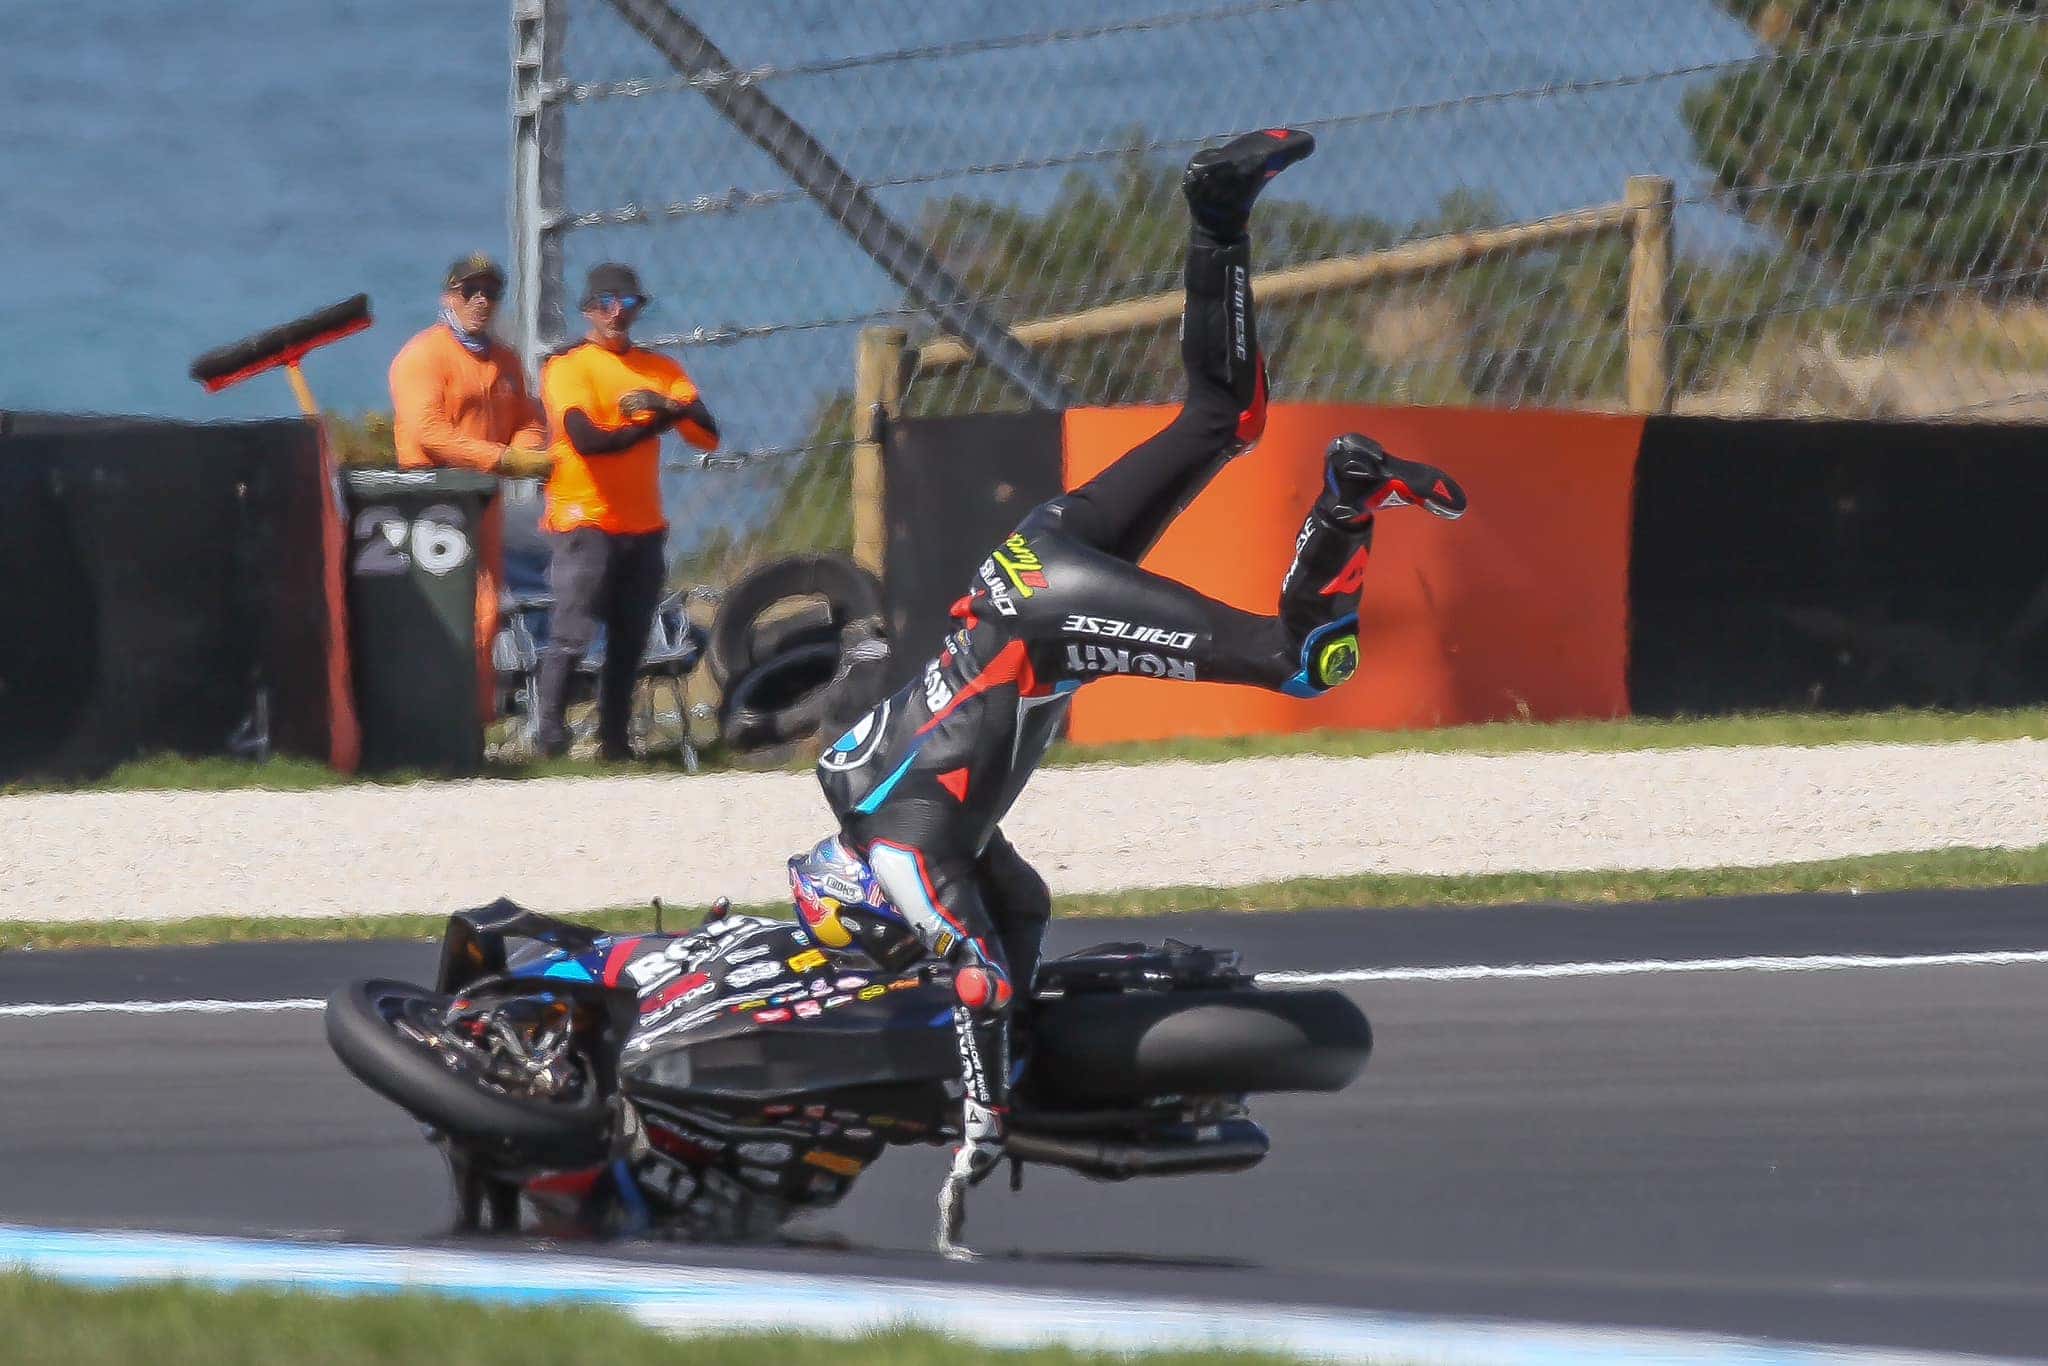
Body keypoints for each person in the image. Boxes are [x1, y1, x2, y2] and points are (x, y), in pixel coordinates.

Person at [788, 128, 1468, 1256]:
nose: (902, 937)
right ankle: (1215, 213)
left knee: (1297, 661)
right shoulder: (878, 801)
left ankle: (1346, 496)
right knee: (1222, 421)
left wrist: (974, 1134)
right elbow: (1009, 929)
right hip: (1024, 566)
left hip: (1045, 613)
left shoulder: (900, 852)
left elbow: (969, 976)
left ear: (861, 899)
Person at [534, 263, 720, 760]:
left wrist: (668, 407)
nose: (616, 314)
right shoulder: (568, 366)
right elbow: (587, 440)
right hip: (584, 518)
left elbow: (707, 431)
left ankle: (613, 742)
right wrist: (657, 422)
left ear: (639, 310)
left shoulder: (660, 370)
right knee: (572, 631)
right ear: (588, 310)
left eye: (628, 305)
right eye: (605, 304)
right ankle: (549, 734)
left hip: (642, 525)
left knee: (630, 637)